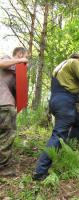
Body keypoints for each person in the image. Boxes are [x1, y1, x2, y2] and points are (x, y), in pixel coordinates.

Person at [0, 47, 28, 176]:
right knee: (7, 136)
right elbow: (2, 63)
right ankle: (2, 168)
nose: (26, 60)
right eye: (25, 56)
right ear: (20, 54)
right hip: (4, 105)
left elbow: (17, 91)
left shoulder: (15, 70)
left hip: (7, 105)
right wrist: (20, 60)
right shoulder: (7, 58)